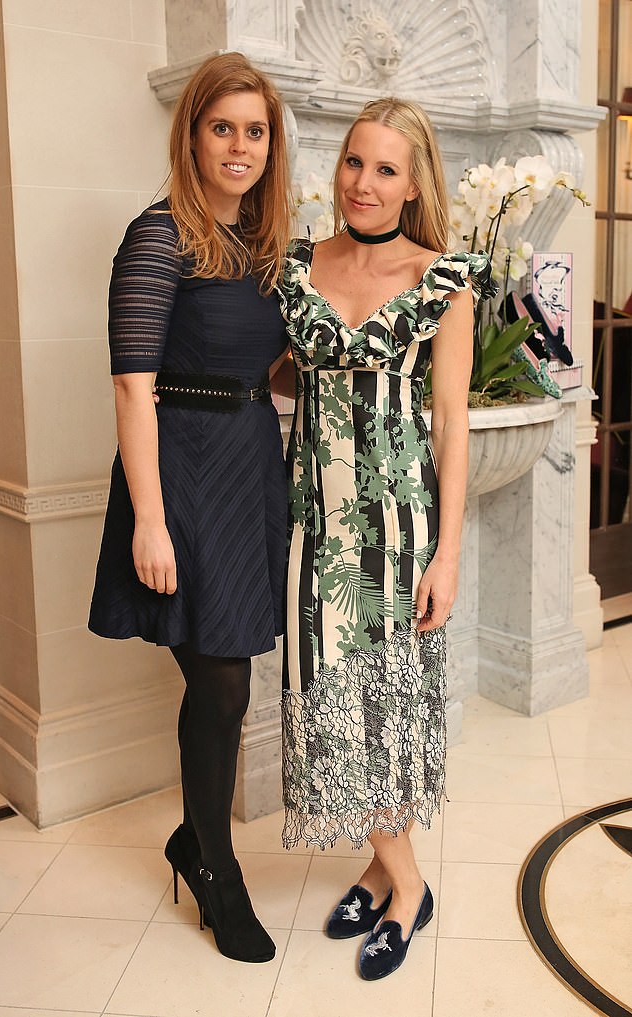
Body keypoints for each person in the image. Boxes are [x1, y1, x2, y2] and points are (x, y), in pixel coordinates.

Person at [275, 97, 495, 980]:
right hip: (315, 532)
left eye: (386, 170)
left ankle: (403, 886)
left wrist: (447, 553)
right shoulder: (295, 267)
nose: (363, 183)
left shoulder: (445, 280)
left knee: (390, 710)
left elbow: (451, 422)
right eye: (354, 162)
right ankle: (386, 866)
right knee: (334, 707)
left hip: (403, 537)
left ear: (415, 185)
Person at [88, 52, 291, 964]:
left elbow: (266, 367)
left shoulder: (265, 242)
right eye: (224, 128)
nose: (240, 146)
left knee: (228, 677)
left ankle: (191, 841)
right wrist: (150, 518)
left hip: (248, 463)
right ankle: (216, 865)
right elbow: (134, 389)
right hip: (180, 474)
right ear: (193, 132)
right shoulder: (158, 234)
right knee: (221, 682)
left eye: (255, 131)